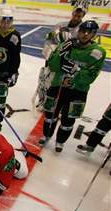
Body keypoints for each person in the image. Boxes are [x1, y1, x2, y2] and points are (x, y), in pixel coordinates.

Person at [38, 20, 106, 152]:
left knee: (68, 119)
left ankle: (60, 141)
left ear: (94, 34)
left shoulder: (97, 52)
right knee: (50, 113)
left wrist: (76, 72)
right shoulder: (67, 44)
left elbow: (91, 75)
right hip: (58, 85)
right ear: (78, 31)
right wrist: (59, 54)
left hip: (78, 91)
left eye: (89, 32)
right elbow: (53, 65)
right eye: (83, 31)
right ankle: (46, 135)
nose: (85, 35)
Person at [33, 5, 87, 111]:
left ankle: (59, 105)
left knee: (63, 85)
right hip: (54, 59)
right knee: (45, 80)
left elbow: (81, 48)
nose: (76, 17)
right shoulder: (60, 25)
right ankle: (42, 100)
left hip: (69, 63)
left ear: (83, 16)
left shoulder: (83, 31)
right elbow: (48, 38)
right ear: (72, 13)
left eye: (79, 16)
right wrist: (51, 52)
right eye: (75, 15)